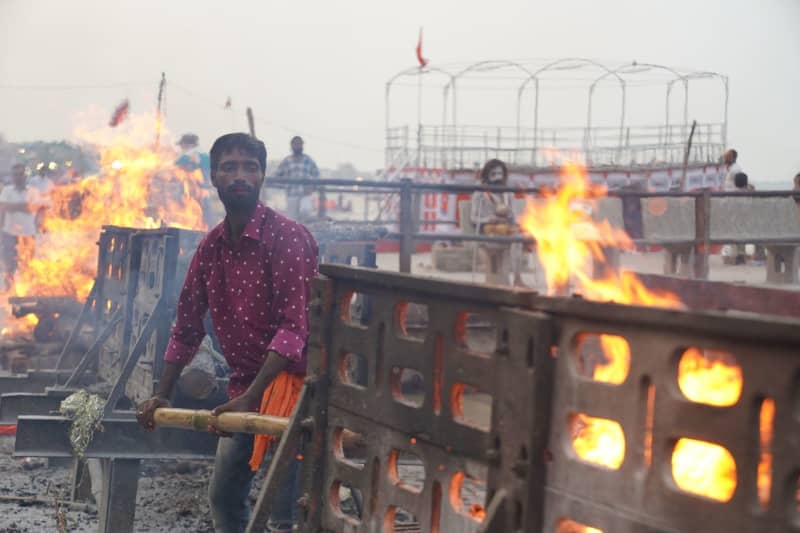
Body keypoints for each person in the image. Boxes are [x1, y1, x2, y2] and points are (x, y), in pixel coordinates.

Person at [137, 133, 318, 533]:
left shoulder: (287, 237)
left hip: (296, 392)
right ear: (213, 177)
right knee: (223, 498)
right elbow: (186, 328)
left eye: (250, 167)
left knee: (285, 511)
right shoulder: (210, 249)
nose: (240, 176)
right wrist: (162, 393)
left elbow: (294, 330)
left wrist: (252, 397)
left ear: (262, 176)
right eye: (229, 167)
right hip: (243, 390)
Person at [470, 159, 524, 286]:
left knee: (519, 238)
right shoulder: (480, 194)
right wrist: (489, 219)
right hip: (489, 232)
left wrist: (508, 216)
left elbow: (514, 217)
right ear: (487, 176)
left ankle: (517, 279)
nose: (497, 178)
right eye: (493, 174)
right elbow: (473, 218)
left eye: (500, 174)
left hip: (506, 230)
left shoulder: (508, 193)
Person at [0, 164, 41, 287]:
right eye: (15, 175)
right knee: (9, 267)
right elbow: (3, 207)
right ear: (12, 177)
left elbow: (32, 208)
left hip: (28, 234)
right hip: (9, 234)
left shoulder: (33, 191)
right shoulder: (6, 191)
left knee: (28, 266)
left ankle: (27, 291)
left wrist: (12, 206)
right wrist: (24, 205)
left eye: (20, 174)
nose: (18, 177)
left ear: (25, 175)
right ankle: (9, 291)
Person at [273, 136, 319, 221]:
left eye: (299, 144)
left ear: (302, 146)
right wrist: (284, 185)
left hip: (305, 193)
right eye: (295, 144)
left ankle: (303, 228)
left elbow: (317, 175)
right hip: (291, 193)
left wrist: (312, 188)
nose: (297, 146)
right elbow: (277, 175)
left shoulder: (308, 160)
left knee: (306, 210)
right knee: (292, 218)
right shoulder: (287, 161)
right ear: (292, 146)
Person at [175, 133, 216, 228]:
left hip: (189, 193)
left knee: (189, 218)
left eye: (182, 145)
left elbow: (173, 171)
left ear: (188, 145)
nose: (181, 148)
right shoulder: (206, 156)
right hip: (205, 191)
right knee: (206, 218)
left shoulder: (185, 157)